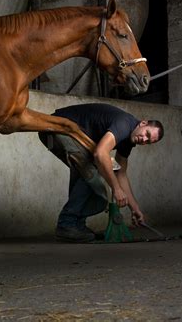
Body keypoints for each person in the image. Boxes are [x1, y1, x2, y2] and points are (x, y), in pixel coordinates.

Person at [38, 103, 164, 242]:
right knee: (93, 169)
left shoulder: (128, 141)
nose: (144, 140)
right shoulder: (124, 124)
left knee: (87, 171)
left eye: (148, 142)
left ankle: (76, 226)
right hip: (58, 127)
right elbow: (100, 153)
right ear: (143, 123)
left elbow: (120, 173)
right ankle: (67, 224)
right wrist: (116, 189)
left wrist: (134, 208)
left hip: (61, 132)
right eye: (146, 134)